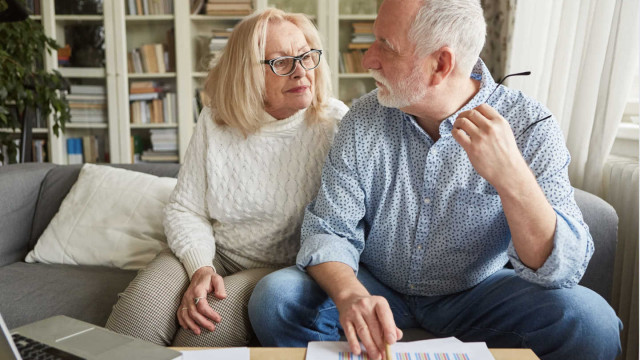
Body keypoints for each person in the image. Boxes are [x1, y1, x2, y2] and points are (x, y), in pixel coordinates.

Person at [248, 1, 622, 359]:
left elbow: (563, 268)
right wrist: (350, 295)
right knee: (276, 300)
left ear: (441, 64)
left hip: (480, 294)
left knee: (592, 325)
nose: (368, 60)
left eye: (386, 46)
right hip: (377, 287)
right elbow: (329, 230)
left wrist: (512, 179)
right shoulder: (362, 120)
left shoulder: (530, 126)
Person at [105, 8, 348, 347]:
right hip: (216, 253)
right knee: (136, 317)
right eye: (280, 62)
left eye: (306, 56)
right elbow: (186, 209)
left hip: (280, 269)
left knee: (200, 331)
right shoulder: (216, 119)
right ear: (247, 73)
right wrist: (200, 268)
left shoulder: (335, 124)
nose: (300, 71)